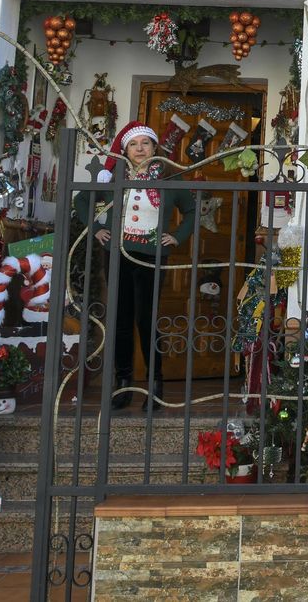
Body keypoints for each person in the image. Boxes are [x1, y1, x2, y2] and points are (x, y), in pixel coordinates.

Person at [93, 121, 197, 410]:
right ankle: (122, 384)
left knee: (147, 321)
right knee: (120, 320)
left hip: (151, 257)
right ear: (125, 149)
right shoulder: (112, 177)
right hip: (117, 255)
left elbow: (191, 211)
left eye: (145, 143)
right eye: (133, 144)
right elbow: (82, 200)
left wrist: (176, 237)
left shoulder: (170, 178)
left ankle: (155, 385)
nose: (140, 149)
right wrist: (96, 229)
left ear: (155, 147)